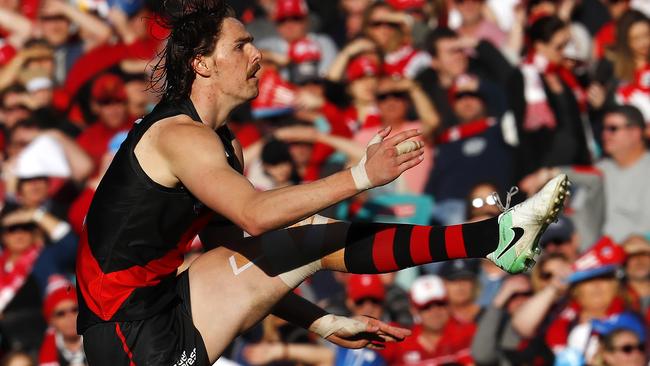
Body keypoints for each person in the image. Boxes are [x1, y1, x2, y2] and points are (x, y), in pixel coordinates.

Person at [75, 1, 569, 365]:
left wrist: (319, 321)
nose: (258, 55)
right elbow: (255, 215)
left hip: (167, 302)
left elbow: (236, 247)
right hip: (124, 332)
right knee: (303, 230)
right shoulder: (179, 137)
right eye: (241, 45)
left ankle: (494, 238)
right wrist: (359, 177)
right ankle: (493, 239)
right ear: (202, 64)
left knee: (310, 233)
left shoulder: (224, 142)